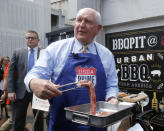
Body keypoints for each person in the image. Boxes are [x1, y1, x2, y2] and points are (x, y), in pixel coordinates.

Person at [24, 8, 119, 131]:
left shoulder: (106, 55)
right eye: (79, 20)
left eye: (88, 21)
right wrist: (34, 82)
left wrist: (112, 98)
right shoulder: (56, 49)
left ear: (98, 28)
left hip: (96, 125)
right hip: (62, 124)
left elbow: (111, 85)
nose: (81, 25)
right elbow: (33, 74)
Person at [7, 30, 43, 131]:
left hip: (38, 91)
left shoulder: (44, 52)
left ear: (38, 40)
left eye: (33, 38)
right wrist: (10, 90)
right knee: (18, 120)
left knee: (38, 120)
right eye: (28, 38)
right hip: (20, 91)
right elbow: (11, 72)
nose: (30, 39)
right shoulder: (17, 52)